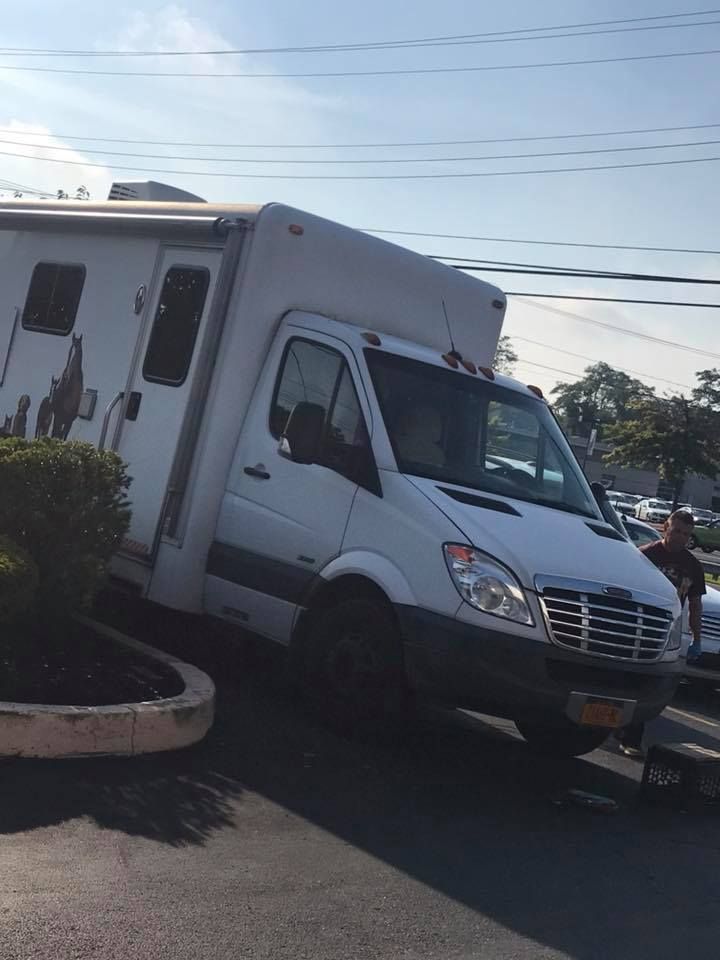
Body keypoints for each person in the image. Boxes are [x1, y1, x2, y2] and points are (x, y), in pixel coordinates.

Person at [616, 508, 705, 759]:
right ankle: (616, 728)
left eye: (686, 534)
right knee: (624, 681)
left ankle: (631, 737)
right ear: (666, 528)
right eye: (677, 531)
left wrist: (697, 639)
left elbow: (695, 604)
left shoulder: (692, 566)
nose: (680, 537)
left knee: (648, 685)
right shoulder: (646, 555)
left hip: (665, 632)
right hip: (637, 627)